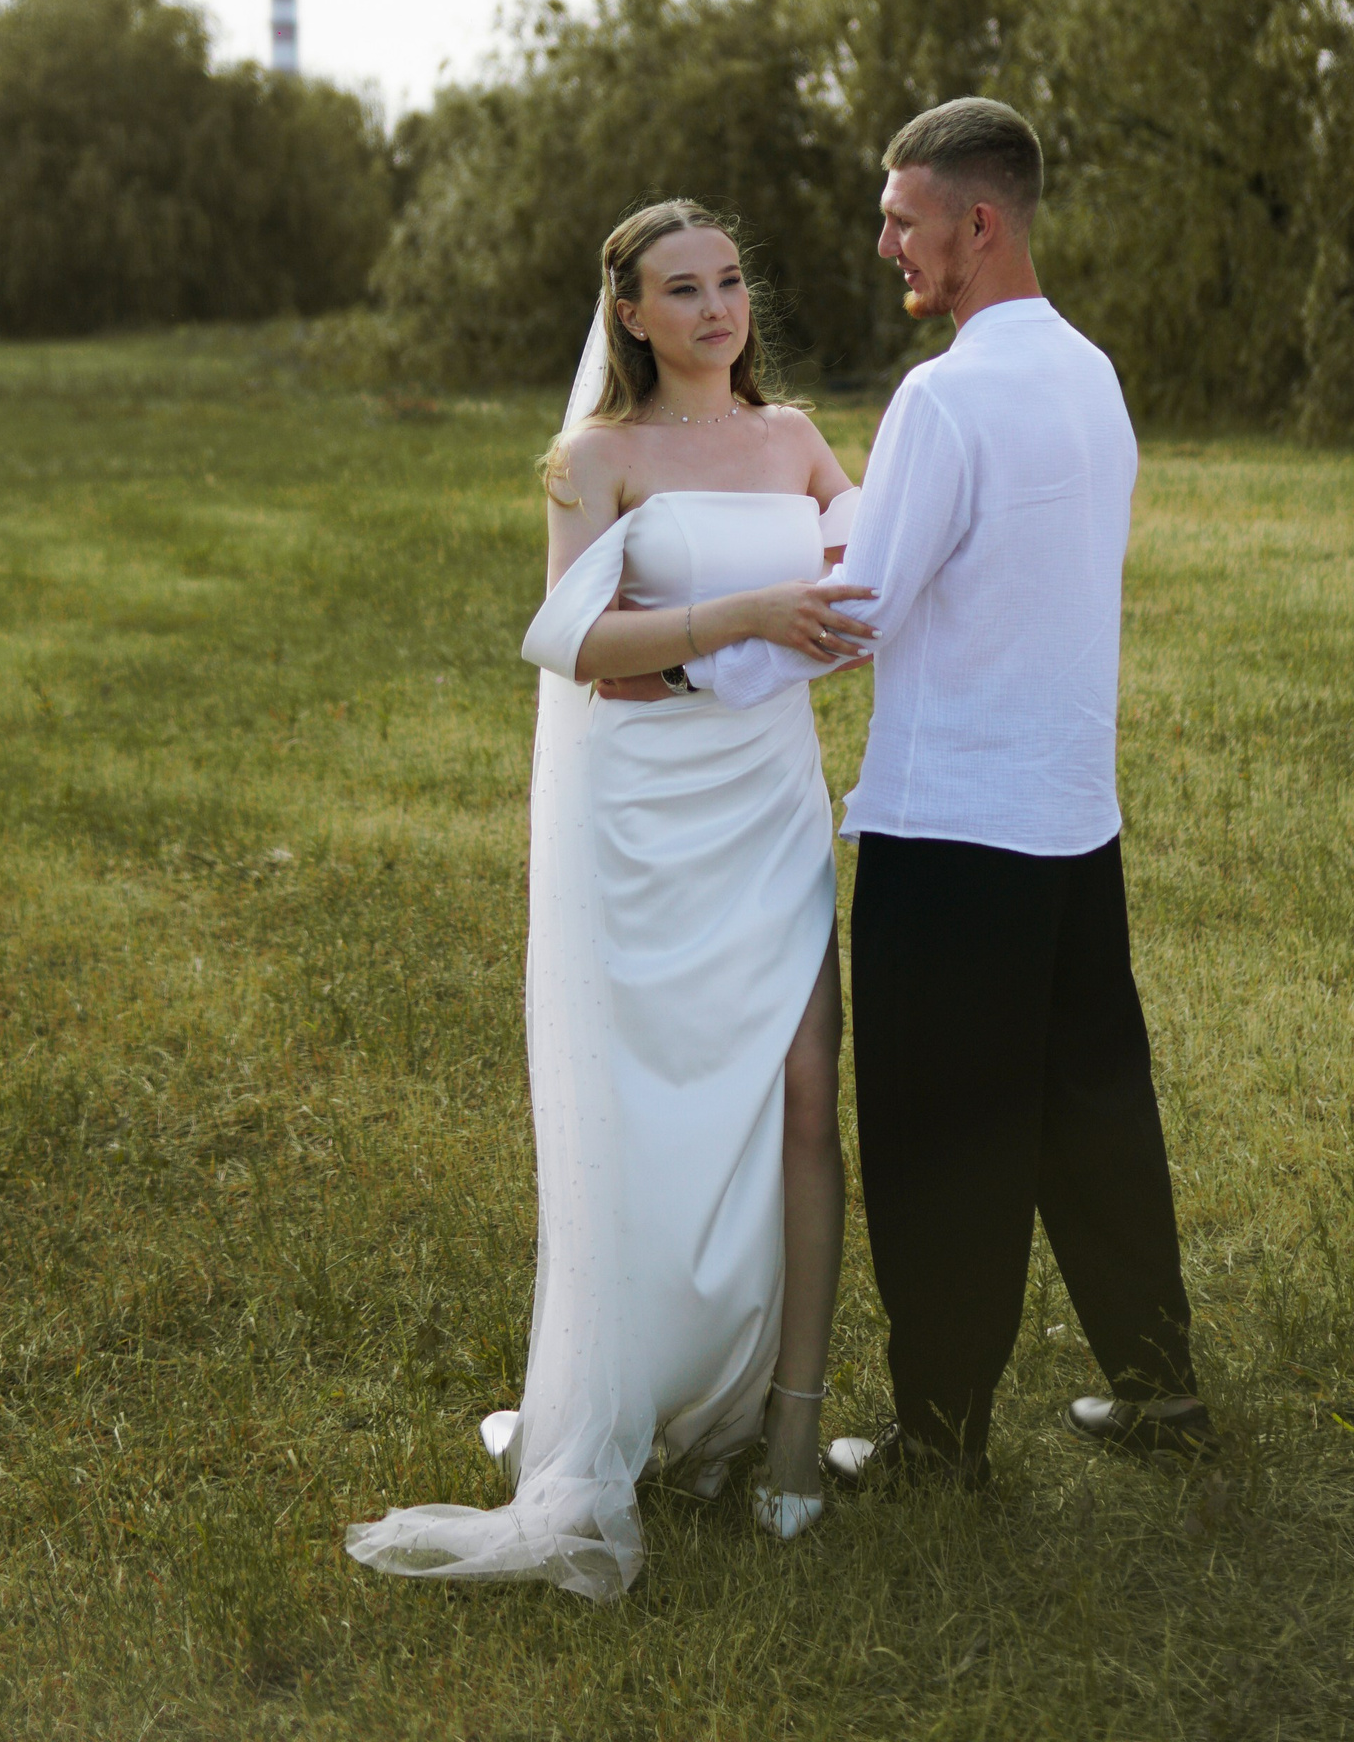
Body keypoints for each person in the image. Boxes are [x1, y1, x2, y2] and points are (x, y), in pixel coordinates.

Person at [346, 200, 877, 1597]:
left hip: (768, 801)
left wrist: (836, 625)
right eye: (681, 289)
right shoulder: (594, 458)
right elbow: (572, 639)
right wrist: (747, 619)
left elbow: (876, 573)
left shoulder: (797, 438)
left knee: (807, 1093)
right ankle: (639, 1378)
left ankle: (791, 1427)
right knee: (647, 1108)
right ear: (629, 313)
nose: (717, 308)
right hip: (642, 819)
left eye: (731, 280)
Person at [687, 99, 1212, 1484]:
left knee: (938, 1141)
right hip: (1074, 821)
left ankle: (938, 1442)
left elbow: (858, 612)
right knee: (1095, 1115)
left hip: (954, 832)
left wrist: (691, 672)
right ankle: (1161, 1390)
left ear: (978, 223)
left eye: (903, 220)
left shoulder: (945, 396)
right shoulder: (1091, 374)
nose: (886, 246)